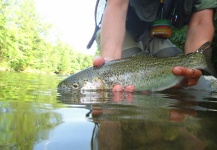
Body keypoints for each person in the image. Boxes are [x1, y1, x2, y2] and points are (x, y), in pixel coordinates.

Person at [92, 0, 217, 92]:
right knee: (132, 88)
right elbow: (117, 5)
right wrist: (110, 65)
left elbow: (201, 21)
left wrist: (193, 65)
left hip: (155, 37)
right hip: (121, 33)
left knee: (198, 89)